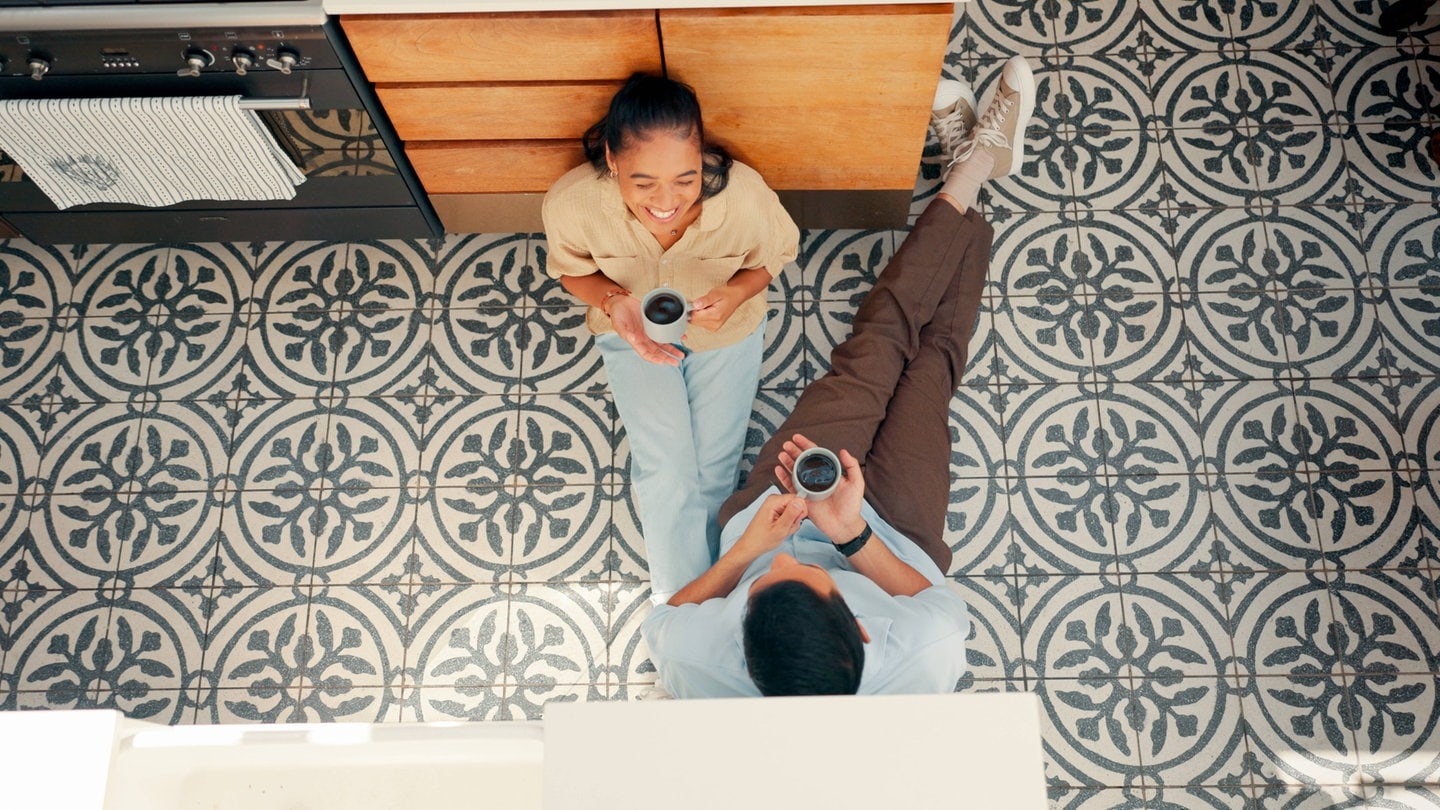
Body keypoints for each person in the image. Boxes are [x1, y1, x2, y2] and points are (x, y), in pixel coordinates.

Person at [641, 56, 1037, 698]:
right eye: (805, 573)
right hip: (896, 542)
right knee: (931, 367)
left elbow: (671, 619)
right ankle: (980, 165)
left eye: (774, 576)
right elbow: (938, 606)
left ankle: (971, 171)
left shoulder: (699, 665)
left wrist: (748, 557)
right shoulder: (924, 657)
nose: (795, 557)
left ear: (741, 637)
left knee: (876, 350)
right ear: (863, 631)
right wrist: (850, 535)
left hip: (771, 513)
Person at [542, 74, 800, 605]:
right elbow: (571, 273)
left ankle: (694, 608)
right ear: (612, 159)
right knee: (666, 465)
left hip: (725, 334)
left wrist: (734, 293)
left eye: (686, 179)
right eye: (644, 184)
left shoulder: (746, 197)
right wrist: (614, 302)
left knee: (712, 473)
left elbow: (773, 258)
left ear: (703, 156)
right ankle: (690, 609)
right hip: (631, 336)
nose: (667, 202)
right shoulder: (572, 204)